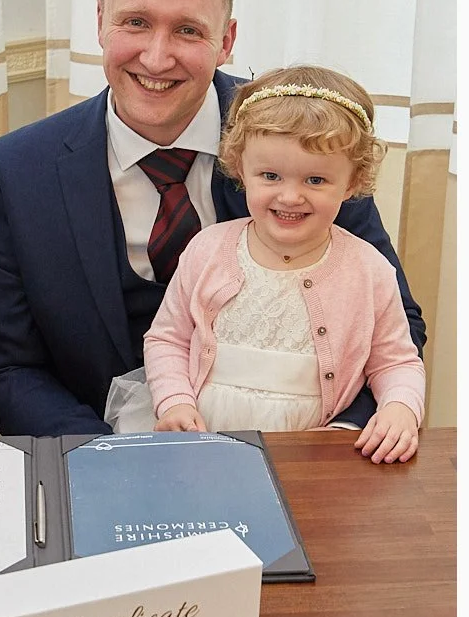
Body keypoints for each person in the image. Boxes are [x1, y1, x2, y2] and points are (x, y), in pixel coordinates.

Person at [0, 0, 425, 437]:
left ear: (226, 39)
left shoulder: (310, 144)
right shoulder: (17, 170)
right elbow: (7, 368)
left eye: (188, 29)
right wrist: (110, 460)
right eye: (135, 22)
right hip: (100, 454)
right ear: (100, 21)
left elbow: (395, 328)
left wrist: (325, 448)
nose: (157, 57)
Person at [139, 66, 425, 464]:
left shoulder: (369, 270)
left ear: (354, 181)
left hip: (312, 457)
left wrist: (401, 408)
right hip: (203, 446)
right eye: (270, 175)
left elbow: (395, 360)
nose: (290, 196)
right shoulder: (206, 250)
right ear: (240, 168)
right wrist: (174, 401)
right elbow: (167, 339)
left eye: (315, 180)